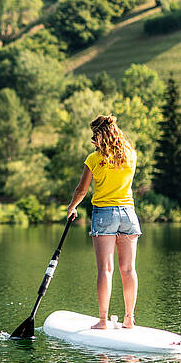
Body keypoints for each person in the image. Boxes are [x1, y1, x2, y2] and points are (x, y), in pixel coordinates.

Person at [66, 115, 141, 330]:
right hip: (128, 214)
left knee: (105, 270)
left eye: (94, 135)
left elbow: (81, 189)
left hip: (104, 214)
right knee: (128, 269)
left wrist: (72, 207)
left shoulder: (94, 159)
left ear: (99, 135)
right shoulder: (130, 154)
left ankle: (102, 320)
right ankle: (129, 318)